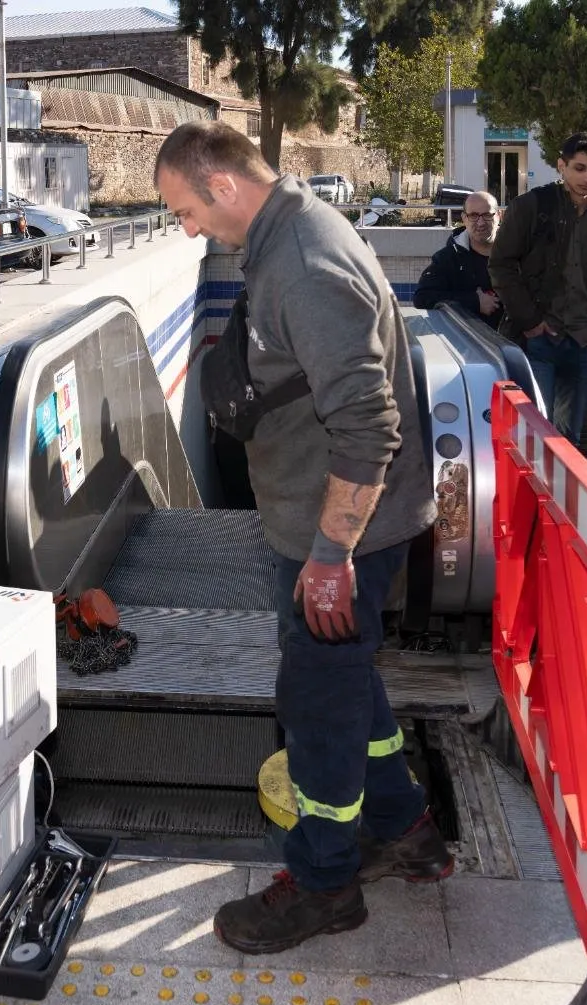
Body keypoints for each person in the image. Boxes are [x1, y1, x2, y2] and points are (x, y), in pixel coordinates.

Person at [153, 121, 451, 956]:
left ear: (221, 187)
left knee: (316, 707)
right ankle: (407, 831)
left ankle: (323, 885)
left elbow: (368, 423)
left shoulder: (304, 262)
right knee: (348, 681)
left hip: (338, 534)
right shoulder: (286, 232)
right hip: (319, 519)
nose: (186, 229)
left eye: (184, 210)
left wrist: (330, 557)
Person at [488, 132, 587, 445]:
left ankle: (564, 496)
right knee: (535, 434)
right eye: (580, 168)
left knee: (569, 439)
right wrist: (530, 321)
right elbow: (501, 265)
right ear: (561, 166)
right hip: (542, 338)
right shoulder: (532, 207)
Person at [413, 190, 503, 330]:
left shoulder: (519, 252)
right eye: (473, 215)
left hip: (517, 344)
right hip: (466, 343)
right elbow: (422, 298)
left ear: (498, 216)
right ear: (464, 218)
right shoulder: (447, 258)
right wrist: (474, 301)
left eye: (487, 215)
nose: (480, 222)